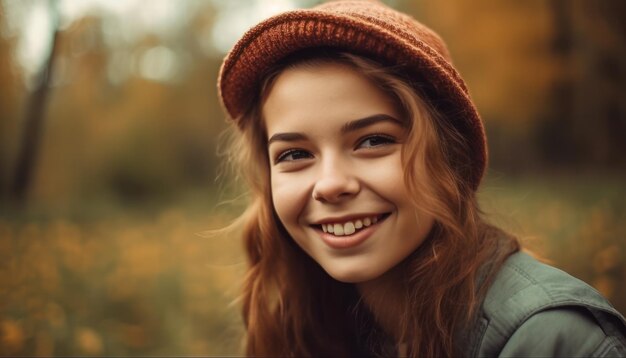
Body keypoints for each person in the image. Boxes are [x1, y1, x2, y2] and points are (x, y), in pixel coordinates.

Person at [216, 0, 626, 356]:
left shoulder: (552, 339)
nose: (330, 184)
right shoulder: (308, 324)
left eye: (373, 141)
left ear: (450, 157)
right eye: (295, 154)